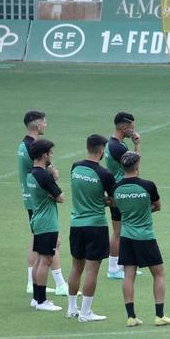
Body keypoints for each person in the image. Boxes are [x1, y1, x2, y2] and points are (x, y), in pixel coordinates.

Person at [112, 152, 170, 327]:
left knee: (128, 275)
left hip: (126, 236)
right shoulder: (148, 186)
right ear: (137, 166)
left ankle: (131, 317)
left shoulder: (116, 188)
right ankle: (160, 315)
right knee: (159, 273)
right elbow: (157, 206)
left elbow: (115, 206)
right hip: (145, 236)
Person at [66, 134, 115, 322]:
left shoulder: (75, 167)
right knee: (92, 270)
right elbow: (115, 200)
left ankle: (71, 309)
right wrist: (105, 201)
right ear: (102, 151)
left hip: (76, 224)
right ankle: (85, 313)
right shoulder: (105, 174)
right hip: (95, 226)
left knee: (76, 267)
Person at [17, 111, 67, 296]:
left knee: (43, 241)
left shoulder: (23, 144)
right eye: (44, 122)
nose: (46, 125)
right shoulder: (33, 149)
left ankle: (43, 282)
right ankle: (51, 284)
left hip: (31, 199)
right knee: (47, 242)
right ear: (37, 126)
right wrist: (53, 174)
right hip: (38, 202)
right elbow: (44, 176)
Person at [26, 139, 65, 312]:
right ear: (44, 155)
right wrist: (54, 176)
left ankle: (36, 298)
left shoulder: (32, 173)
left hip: (38, 220)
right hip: (47, 222)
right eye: (50, 153)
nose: (51, 156)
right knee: (46, 260)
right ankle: (41, 301)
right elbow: (61, 197)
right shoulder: (43, 175)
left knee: (40, 260)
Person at [105, 112, 141, 279]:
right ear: (123, 128)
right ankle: (113, 268)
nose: (133, 131)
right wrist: (137, 145)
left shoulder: (110, 144)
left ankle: (121, 264)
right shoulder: (119, 148)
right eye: (132, 128)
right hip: (121, 193)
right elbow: (135, 168)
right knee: (119, 231)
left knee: (122, 230)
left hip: (116, 191)